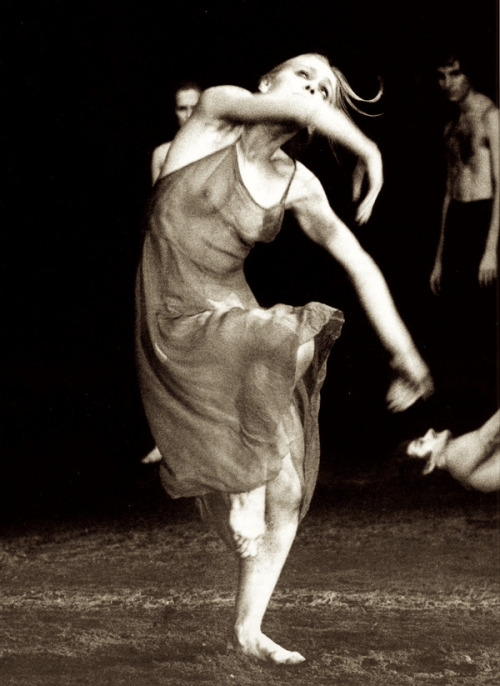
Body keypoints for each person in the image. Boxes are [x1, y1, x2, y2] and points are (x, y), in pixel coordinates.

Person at [135, 53, 434, 664]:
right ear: (265, 84)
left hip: (235, 318)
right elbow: (297, 108)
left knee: (290, 489)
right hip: (175, 314)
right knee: (283, 333)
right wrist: (371, 153)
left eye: (325, 89)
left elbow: (358, 264)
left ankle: (247, 628)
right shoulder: (216, 113)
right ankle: (235, 470)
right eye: (304, 78)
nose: (314, 92)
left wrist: (406, 355)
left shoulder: (299, 183)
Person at [429, 50, 498, 409]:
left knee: (485, 323)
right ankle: (466, 412)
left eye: (453, 74)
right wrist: (439, 257)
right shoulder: (451, 123)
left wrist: (491, 250)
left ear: (469, 73)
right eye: (441, 76)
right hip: (457, 220)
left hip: (484, 220)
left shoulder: (490, 115)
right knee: (458, 324)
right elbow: (448, 189)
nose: (447, 84)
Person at [407, 409, 500, 493]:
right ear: (429, 466)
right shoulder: (452, 455)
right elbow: (491, 432)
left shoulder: (453, 465)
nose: (430, 431)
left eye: (421, 437)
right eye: (421, 443)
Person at [151, 81, 202, 185]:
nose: (189, 115)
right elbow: (157, 200)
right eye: (182, 109)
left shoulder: (220, 147)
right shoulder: (161, 154)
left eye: (194, 108)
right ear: (175, 112)